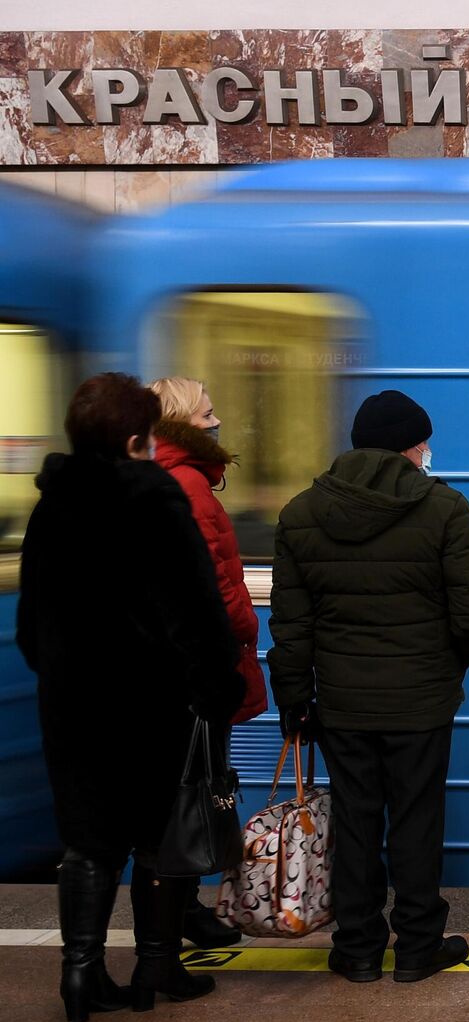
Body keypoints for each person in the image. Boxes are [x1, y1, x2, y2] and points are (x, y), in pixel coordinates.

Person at [18, 374, 245, 1022]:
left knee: (87, 845)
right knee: (156, 837)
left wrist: (64, 674)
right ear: (133, 438)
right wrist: (214, 685)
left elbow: (32, 626)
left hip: (72, 707)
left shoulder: (51, 505)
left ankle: (81, 975)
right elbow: (198, 613)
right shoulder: (155, 500)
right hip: (152, 706)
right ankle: (157, 964)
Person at [268, 390, 469, 984]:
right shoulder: (445, 508)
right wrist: (450, 664)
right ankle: (419, 945)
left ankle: (358, 948)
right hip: (422, 699)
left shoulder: (300, 513)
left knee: (355, 818)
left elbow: (291, 626)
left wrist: (294, 698)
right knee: (417, 820)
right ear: (413, 446)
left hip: (343, 702)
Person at [148, 376, 270, 950]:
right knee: (194, 786)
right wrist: (244, 631)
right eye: (208, 413)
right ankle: (173, 923)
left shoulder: (176, 480)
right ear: (181, 424)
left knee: (189, 784)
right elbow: (213, 580)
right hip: (201, 669)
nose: (218, 421)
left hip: (183, 667)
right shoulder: (191, 487)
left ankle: (181, 909)